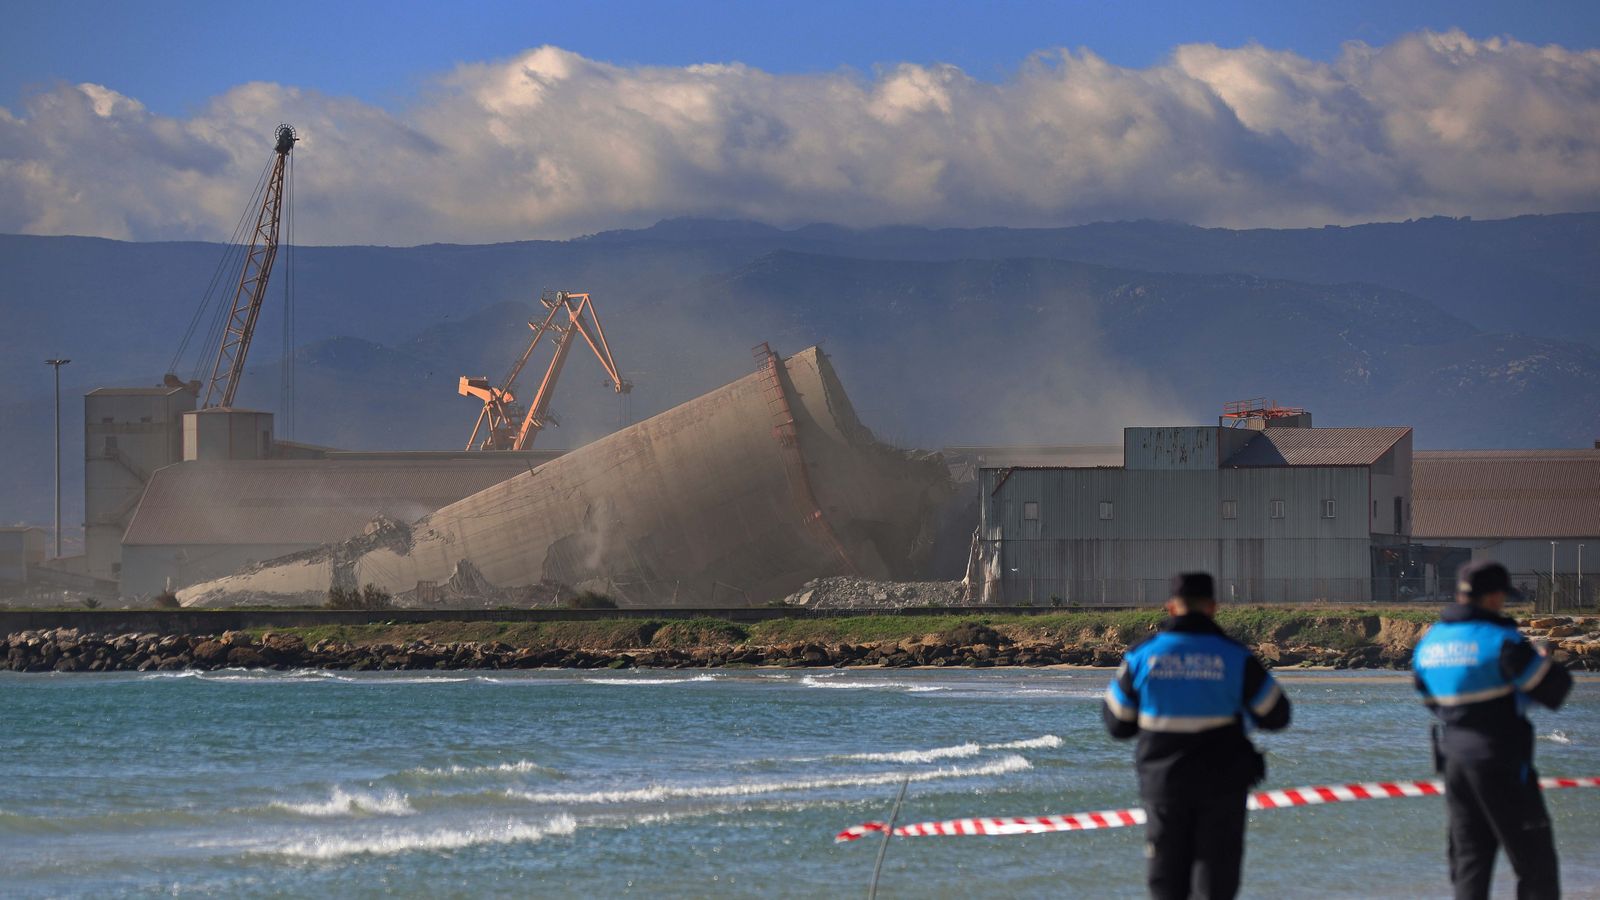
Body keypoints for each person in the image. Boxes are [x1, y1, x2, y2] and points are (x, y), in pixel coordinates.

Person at [1102, 572, 1291, 899]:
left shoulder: (1142, 656)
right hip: (1222, 785)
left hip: (1164, 786)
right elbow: (1277, 715)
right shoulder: (1235, 656)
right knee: (1215, 884)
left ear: (1171, 608)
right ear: (1213, 607)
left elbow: (1118, 724)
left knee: (1166, 883)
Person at [1413, 560, 1573, 899]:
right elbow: (1555, 690)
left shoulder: (1430, 644)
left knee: (1470, 863)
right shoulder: (1501, 641)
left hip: (1454, 760)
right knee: (1536, 866)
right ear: (1492, 597)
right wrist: (1542, 660)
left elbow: (1430, 698)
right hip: (1501, 760)